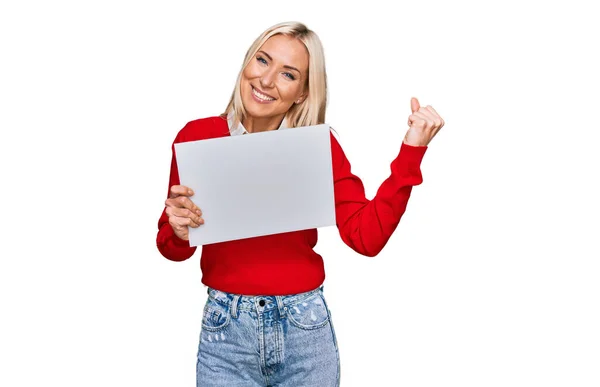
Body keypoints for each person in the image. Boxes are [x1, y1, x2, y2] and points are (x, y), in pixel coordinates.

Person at [156, 21, 444, 387]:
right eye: (262, 61)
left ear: (302, 94)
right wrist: (179, 230)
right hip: (225, 331)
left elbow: (366, 238)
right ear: (246, 64)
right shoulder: (197, 137)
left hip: (303, 329)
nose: (266, 80)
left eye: (288, 74)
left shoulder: (317, 148)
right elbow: (171, 246)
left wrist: (411, 151)